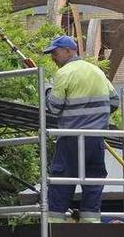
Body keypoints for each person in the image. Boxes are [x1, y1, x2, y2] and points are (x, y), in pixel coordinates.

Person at [43, 35, 119, 223]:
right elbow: (114, 101)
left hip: (71, 138)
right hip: (96, 139)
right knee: (93, 181)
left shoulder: (64, 73)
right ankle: (90, 224)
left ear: (69, 50)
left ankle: (54, 227)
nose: (52, 57)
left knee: (62, 181)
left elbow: (53, 107)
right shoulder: (97, 71)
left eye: (55, 52)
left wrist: (47, 90)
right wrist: (95, 118)